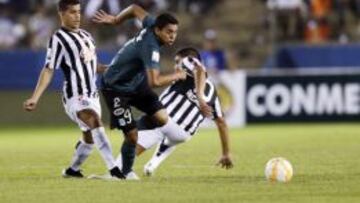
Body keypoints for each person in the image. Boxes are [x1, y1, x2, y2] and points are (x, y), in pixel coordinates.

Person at [92, 4, 209, 179]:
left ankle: (136, 126)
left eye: (175, 32)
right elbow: (155, 81)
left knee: (162, 117)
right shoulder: (151, 48)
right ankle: (123, 172)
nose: (172, 36)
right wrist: (177, 75)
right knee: (132, 136)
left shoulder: (152, 23)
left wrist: (116, 20)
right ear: (158, 30)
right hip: (116, 88)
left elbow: (133, 8)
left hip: (135, 83)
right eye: (169, 32)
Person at [23, 0, 124, 179]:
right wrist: (35, 97)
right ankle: (115, 170)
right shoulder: (58, 39)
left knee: (89, 137)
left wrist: (110, 68)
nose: (77, 16)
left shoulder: (87, 35)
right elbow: (48, 69)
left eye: (78, 11)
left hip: (93, 94)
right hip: (74, 95)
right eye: (72, 12)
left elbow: (92, 65)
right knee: (94, 122)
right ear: (61, 14)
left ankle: (72, 170)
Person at [116, 47, 233, 176]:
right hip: (184, 134)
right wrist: (226, 153)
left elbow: (199, 68)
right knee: (166, 137)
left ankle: (118, 170)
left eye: (177, 62)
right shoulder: (213, 92)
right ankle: (152, 164)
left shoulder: (188, 66)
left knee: (136, 130)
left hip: (165, 121)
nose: (176, 66)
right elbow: (221, 122)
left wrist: (199, 97)